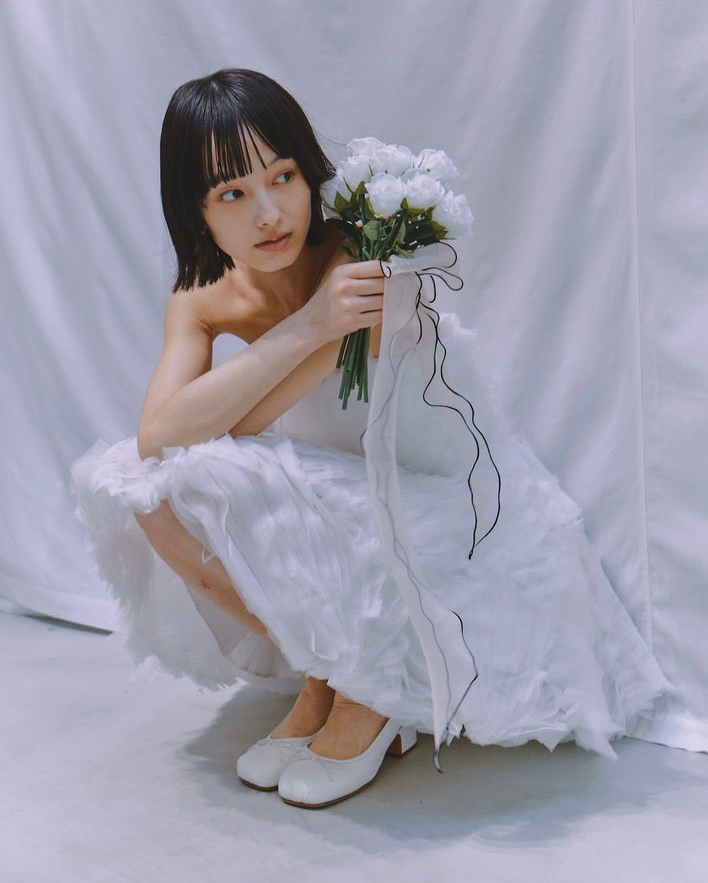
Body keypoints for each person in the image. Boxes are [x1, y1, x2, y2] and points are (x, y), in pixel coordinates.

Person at [73, 68, 669, 809]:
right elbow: (159, 441)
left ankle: (371, 691)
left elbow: (233, 423)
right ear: (195, 212)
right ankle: (326, 672)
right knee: (139, 488)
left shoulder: (363, 254)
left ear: (307, 172)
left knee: (212, 468)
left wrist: (312, 332)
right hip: (340, 492)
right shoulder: (202, 295)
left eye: (283, 177)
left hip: (439, 502)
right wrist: (309, 325)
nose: (269, 213)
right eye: (232, 194)